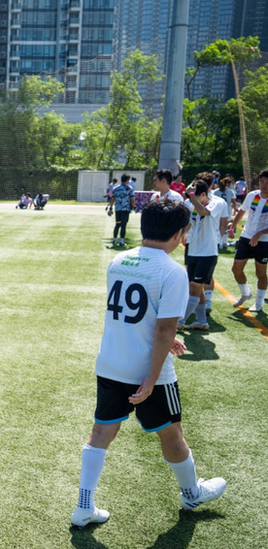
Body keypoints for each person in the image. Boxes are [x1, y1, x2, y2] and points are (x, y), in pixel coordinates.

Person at [70, 199, 226, 529]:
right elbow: (165, 326)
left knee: (100, 432)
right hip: (148, 372)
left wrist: (167, 340)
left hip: (111, 362)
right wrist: (152, 378)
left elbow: (138, 319)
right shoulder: (172, 270)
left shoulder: (119, 260)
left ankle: (84, 505)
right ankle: (191, 492)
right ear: (180, 234)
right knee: (173, 434)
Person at [178, 180, 228, 331]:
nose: (191, 200)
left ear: (204, 194)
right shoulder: (192, 202)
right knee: (197, 288)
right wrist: (181, 234)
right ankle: (202, 321)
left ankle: (180, 321)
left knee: (195, 286)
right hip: (193, 250)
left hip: (208, 253)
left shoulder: (217, 203)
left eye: (195, 196)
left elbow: (203, 212)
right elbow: (191, 222)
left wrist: (192, 196)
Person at [227, 169, 268, 312]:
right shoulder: (252, 195)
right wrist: (232, 228)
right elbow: (241, 212)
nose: (264, 185)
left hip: (264, 241)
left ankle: (259, 302)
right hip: (246, 237)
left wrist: (259, 234)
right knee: (236, 269)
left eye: (267, 182)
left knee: (260, 272)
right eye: (262, 181)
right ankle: (246, 294)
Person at [112, 175, 135, 246]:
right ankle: (121, 241)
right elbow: (132, 199)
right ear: (127, 180)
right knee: (123, 225)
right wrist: (134, 206)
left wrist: (110, 207)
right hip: (125, 209)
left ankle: (115, 240)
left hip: (118, 209)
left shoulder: (116, 188)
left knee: (117, 224)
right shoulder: (129, 188)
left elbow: (113, 198)